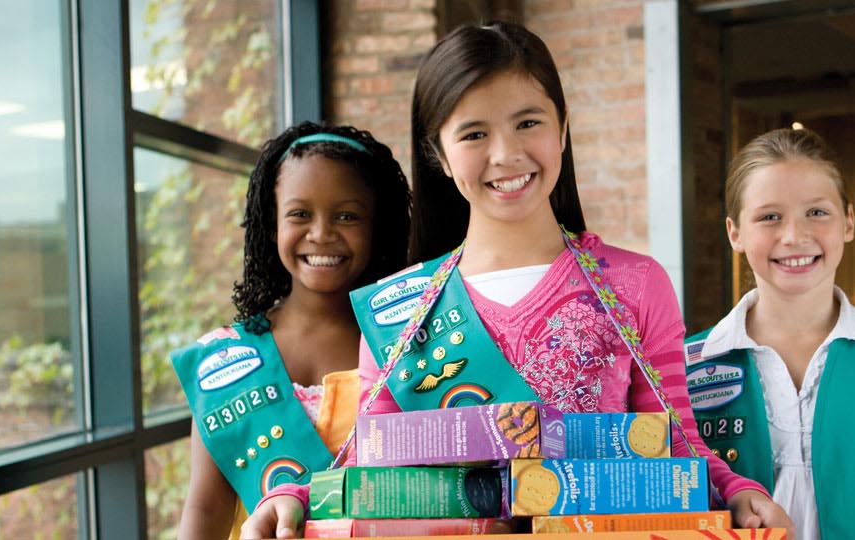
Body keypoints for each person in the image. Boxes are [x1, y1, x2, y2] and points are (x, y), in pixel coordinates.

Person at [245, 21, 794, 539]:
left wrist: (733, 486)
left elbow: (674, 439)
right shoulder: (400, 306)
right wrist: (293, 495)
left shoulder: (634, 283)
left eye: (528, 123)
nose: (506, 155)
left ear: (562, 129)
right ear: (438, 152)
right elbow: (369, 455)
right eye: (474, 133)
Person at [685, 128, 855, 540]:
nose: (794, 236)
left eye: (817, 212)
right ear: (734, 233)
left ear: (848, 221)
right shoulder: (687, 364)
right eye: (769, 216)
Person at [171, 122, 410, 540]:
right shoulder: (226, 360)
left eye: (347, 215)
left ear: (377, 225)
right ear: (270, 223)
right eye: (300, 214)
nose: (321, 234)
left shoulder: (404, 341)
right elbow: (205, 507)